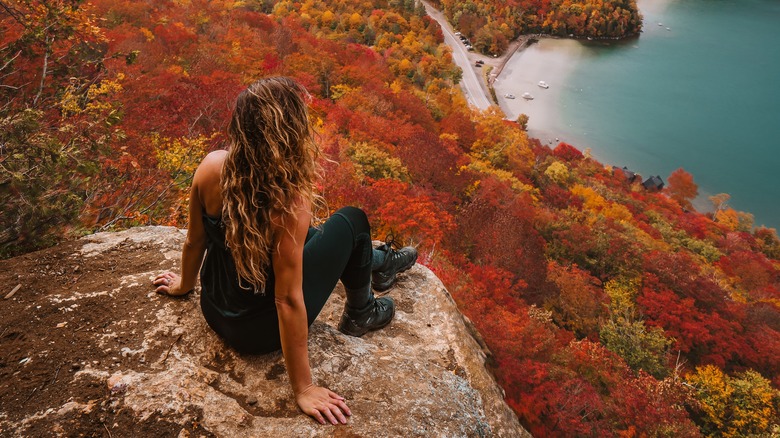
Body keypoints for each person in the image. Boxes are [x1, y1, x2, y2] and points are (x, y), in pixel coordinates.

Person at [152, 77, 417, 425]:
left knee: (310, 236)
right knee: (352, 220)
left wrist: (183, 286)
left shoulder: (211, 166)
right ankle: (361, 310)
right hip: (261, 331)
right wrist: (303, 388)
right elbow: (287, 300)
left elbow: (194, 241)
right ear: (288, 134)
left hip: (216, 310)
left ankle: (377, 263)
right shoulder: (289, 201)